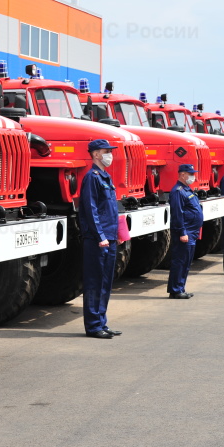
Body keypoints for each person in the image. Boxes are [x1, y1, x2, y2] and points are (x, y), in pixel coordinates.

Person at [79, 139, 125, 339]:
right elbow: (91, 210)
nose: (110, 155)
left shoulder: (105, 176)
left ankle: (102, 323)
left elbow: (110, 210)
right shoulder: (92, 177)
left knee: (105, 282)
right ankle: (93, 326)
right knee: (94, 282)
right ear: (96, 154)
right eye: (106, 151)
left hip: (110, 237)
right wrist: (100, 236)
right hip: (98, 239)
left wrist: (117, 234)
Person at [167, 164, 203, 298]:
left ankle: (180, 288)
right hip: (185, 231)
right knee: (180, 261)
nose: (193, 176)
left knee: (186, 261)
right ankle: (175, 290)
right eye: (190, 174)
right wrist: (182, 232)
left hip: (192, 232)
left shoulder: (187, 190)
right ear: (182, 174)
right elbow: (177, 214)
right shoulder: (178, 191)